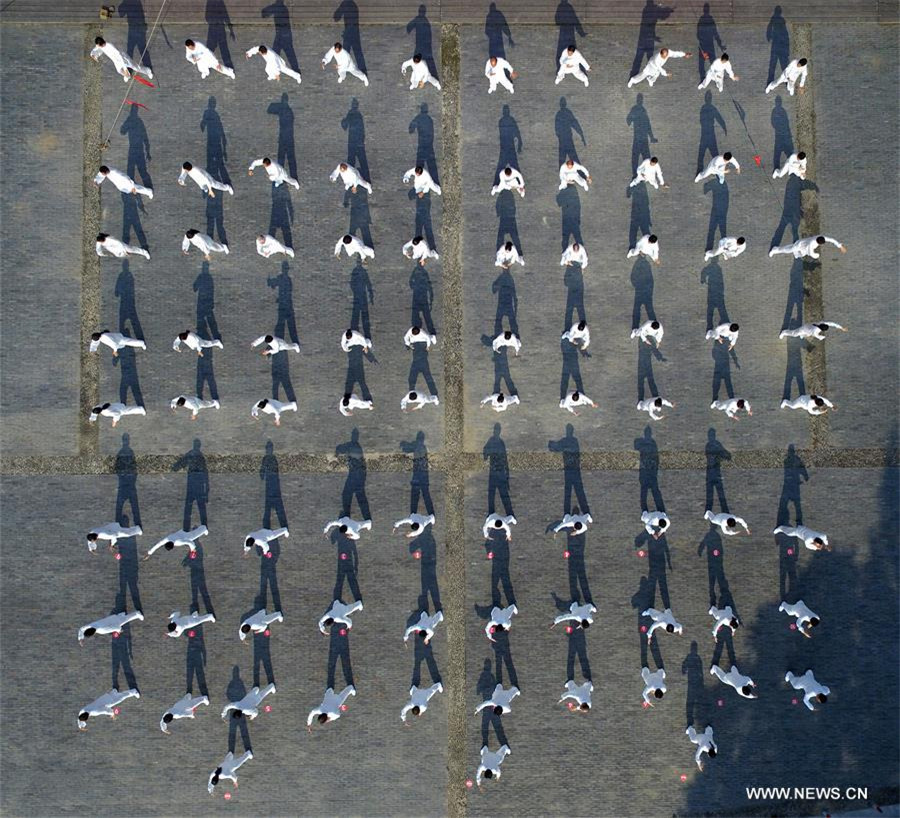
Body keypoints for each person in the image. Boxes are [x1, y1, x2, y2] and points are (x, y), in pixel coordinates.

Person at [78, 610, 144, 644]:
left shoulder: (102, 630)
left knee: (127, 619)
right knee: (120, 616)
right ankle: (122, 614)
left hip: (116, 622)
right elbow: (81, 629)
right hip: (111, 618)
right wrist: (81, 638)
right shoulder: (90, 625)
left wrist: (119, 631)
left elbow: (115, 627)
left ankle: (136, 614)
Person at [769, 235, 846, 259]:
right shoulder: (812, 243)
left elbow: (831, 240)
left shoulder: (822, 237)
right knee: (788, 250)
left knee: (791, 250)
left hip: (804, 246)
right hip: (800, 245)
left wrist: (840, 246)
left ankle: (776, 249)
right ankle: (775, 249)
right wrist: (817, 256)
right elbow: (810, 253)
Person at [779, 321, 846, 341]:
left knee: (804, 335)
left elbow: (832, 323)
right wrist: (823, 337)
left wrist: (841, 328)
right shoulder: (815, 330)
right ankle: (784, 332)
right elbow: (816, 335)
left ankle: (802, 335)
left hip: (808, 327)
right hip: (803, 330)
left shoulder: (822, 322)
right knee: (794, 334)